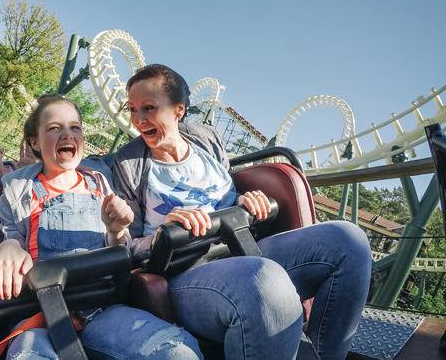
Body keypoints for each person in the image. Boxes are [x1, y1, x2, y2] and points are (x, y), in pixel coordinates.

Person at [113, 64, 371, 360]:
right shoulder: (129, 162)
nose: (138, 119)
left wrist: (246, 201)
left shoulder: (207, 139)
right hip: (187, 271)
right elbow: (127, 246)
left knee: (348, 240)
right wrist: (163, 232)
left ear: (178, 110)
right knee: (264, 280)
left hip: (243, 247)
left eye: (148, 108)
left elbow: (228, 194)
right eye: (132, 109)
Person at [0, 93, 203, 360]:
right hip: (41, 314)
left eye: (75, 127)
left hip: (102, 309)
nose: (67, 134)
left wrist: (117, 231)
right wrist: (10, 244)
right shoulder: (19, 193)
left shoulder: (100, 184)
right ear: (35, 141)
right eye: (54, 128)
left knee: (177, 352)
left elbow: (122, 251)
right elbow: (12, 239)